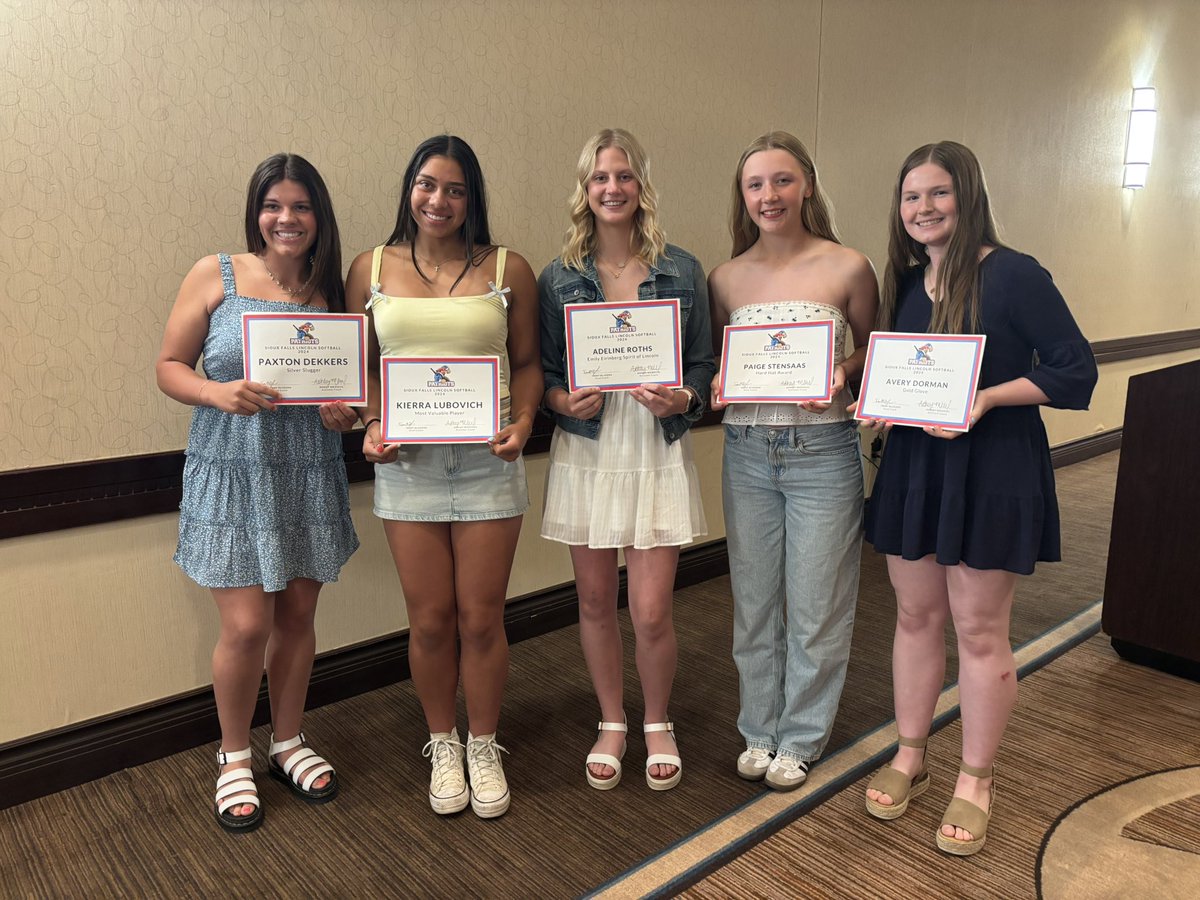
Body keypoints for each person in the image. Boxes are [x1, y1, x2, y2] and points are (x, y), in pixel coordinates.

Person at [859, 141, 1097, 855]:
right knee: (913, 615)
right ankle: (910, 753)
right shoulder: (903, 281)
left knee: (980, 630)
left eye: (938, 194)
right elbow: (901, 369)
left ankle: (976, 778)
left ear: (968, 196)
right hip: (914, 465)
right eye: (911, 197)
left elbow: (1073, 370)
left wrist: (986, 398)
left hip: (991, 467)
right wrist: (878, 404)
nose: (923, 209)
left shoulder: (1016, 275)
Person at [156, 153, 360, 833]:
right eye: (274, 205)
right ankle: (235, 752)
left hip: (306, 468)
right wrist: (217, 391)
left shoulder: (332, 290)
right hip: (232, 471)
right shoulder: (214, 274)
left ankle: (288, 741)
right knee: (246, 626)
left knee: (298, 618)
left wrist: (345, 412)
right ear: (257, 211)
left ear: (318, 216)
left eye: (301, 206)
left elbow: (350, 393)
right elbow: (168, 366)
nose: (287, 219)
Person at [345, 135, 540, 819]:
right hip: (410, 467)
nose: (439, 200)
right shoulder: (368, 267)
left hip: (489, 462)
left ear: (472, 198)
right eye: (428, 185)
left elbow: (525, 365)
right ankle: (442, 742)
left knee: (482, 619)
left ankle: (483, 743)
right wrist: (372, 422)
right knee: (429, 621)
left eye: (455, 189)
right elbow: (360, 363)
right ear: (409, 188)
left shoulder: (508, 267)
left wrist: (523, 425)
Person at [539, 128, 713, 792]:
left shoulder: (683, 269)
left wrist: (685, 398)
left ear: (642, 186)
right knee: (591, 599)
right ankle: (612, 719)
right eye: (599, 178)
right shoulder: (559, 277)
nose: (612, 188)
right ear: (585, 191)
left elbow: (702, 363)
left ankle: (658, 720)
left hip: (653, 447)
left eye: (625, 176)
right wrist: (561, 399)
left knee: (650, 610)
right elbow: (549, 373)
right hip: (588, 448)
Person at [708, 132, 879, 792]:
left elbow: (874, 348)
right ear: (743, 195)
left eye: (781, 181)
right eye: (755, 184)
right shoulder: (726, 277)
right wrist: (721, 383)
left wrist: (841, 369)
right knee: (753, 604)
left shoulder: (848, 266)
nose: (768, 195)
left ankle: (801, 736)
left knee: (817, 605)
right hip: (748, 453)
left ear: (806, 183)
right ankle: (758, 727)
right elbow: (724, 363)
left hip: (823, 452)